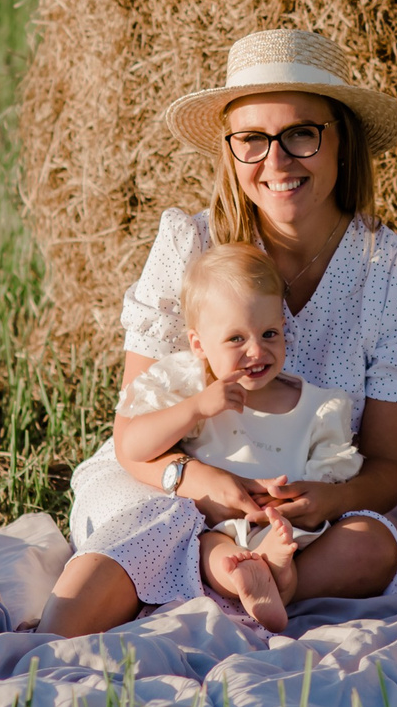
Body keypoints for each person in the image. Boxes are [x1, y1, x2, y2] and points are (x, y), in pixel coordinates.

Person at [45, 27, 397, 637]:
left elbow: (389, 466)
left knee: (373, 547)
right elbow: (133, 434)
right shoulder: (190, 243)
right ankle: (224, 568)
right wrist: (201, 483)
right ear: (230, 150)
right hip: (172, 482)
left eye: (301, 135)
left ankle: (256, 576)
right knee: (140, 516)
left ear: (343, 142)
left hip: (300, 510)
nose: (276, 162)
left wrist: (324, 500)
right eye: (252, 140)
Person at [109, 242, 362, 632]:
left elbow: (332, 472)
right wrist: (194, 408)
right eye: (236, 339)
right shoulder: (193, 391)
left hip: (285, 529)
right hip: (216, 529)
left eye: (270, 333)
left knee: (312, 544)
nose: (257, 350)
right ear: (199, 345)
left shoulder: (315, 405)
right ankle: (253, 578)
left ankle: (276, 572)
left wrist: (295, 494)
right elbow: (132, 445)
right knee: (211, 551)